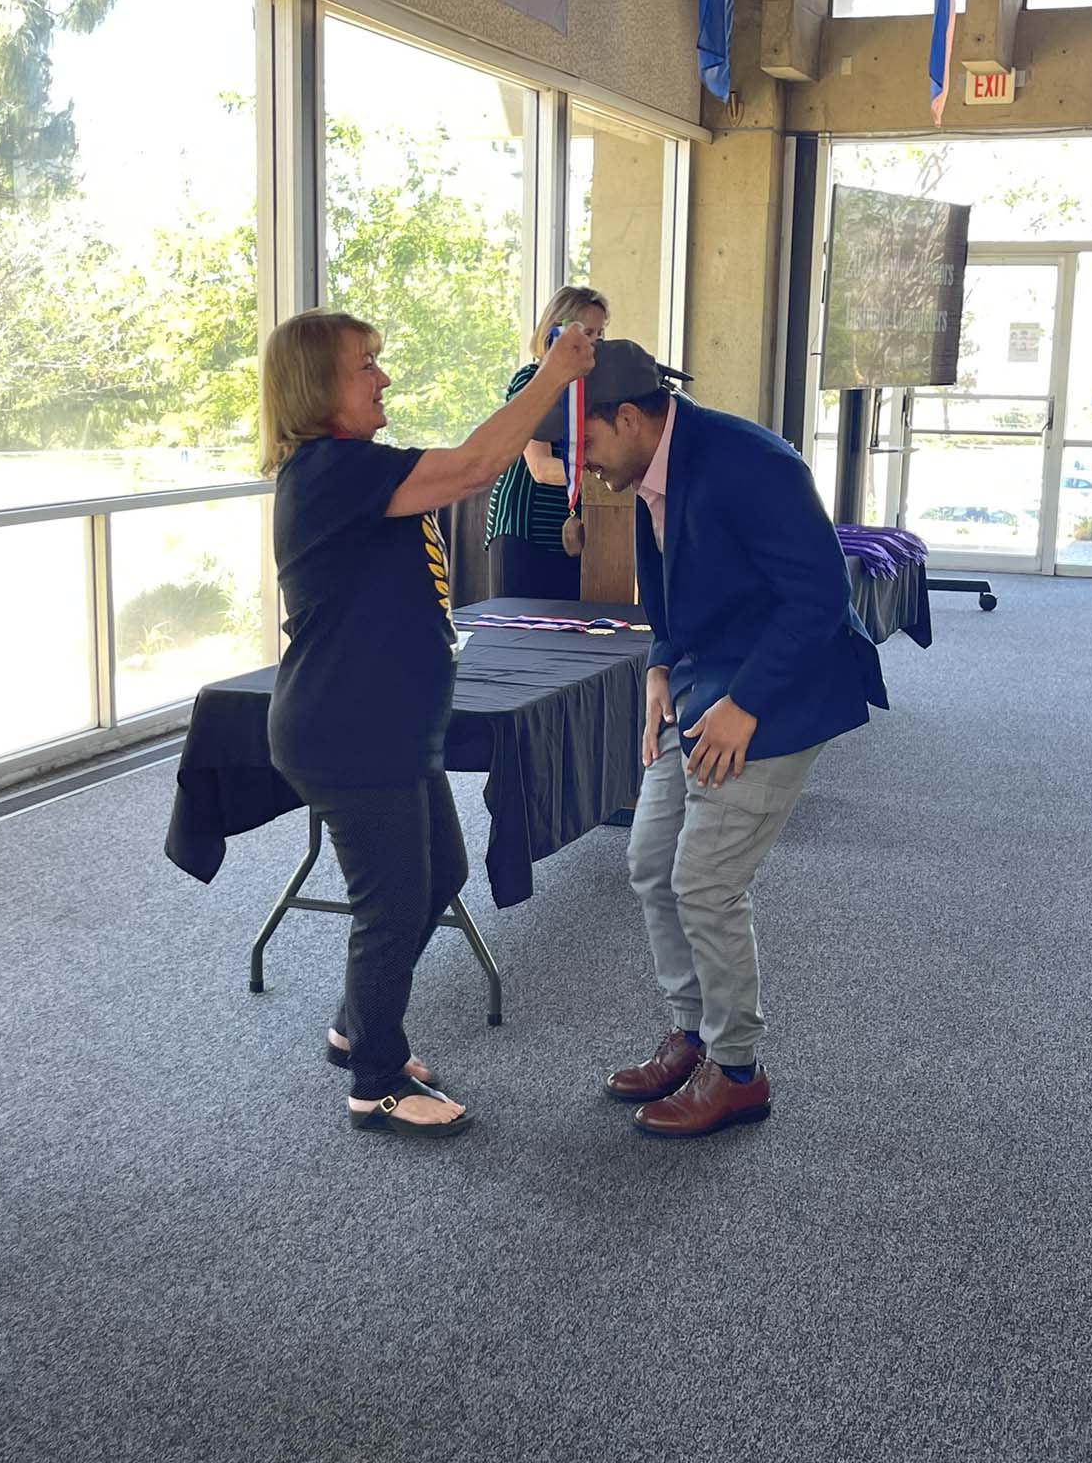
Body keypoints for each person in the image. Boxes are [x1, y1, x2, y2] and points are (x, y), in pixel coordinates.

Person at [531, 341, 889, 1139]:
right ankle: (691, 1035)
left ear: (628, 418)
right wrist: (661, 663)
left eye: (581, 445)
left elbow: (822, 595)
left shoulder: (750, 463)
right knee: (651, 862)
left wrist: (746, 704)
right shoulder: (647, 466)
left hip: (781, 689)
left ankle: (737, 1073)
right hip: (702, 680)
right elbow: (661, 580)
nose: (575, 466)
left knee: (705, 882)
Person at [263, 309, 594, 1141]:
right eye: (364, 365)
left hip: (390, 725)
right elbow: (481, 464)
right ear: (317, 388)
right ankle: (373, 1083)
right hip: (347, 731)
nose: (384, 378)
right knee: (393, 903)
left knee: (438, 871)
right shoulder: (331, 472)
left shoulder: (354, 470)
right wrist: (554, 375)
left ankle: (355, 1030)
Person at [484, 286, 609, 600]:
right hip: (525, 530)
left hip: (569, 535)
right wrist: (603, 473)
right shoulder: (531, 380)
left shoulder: (594, 392)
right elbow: (540, 467)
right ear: (558, 332)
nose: (596, 343)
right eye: (588, 333)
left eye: (601, 334)